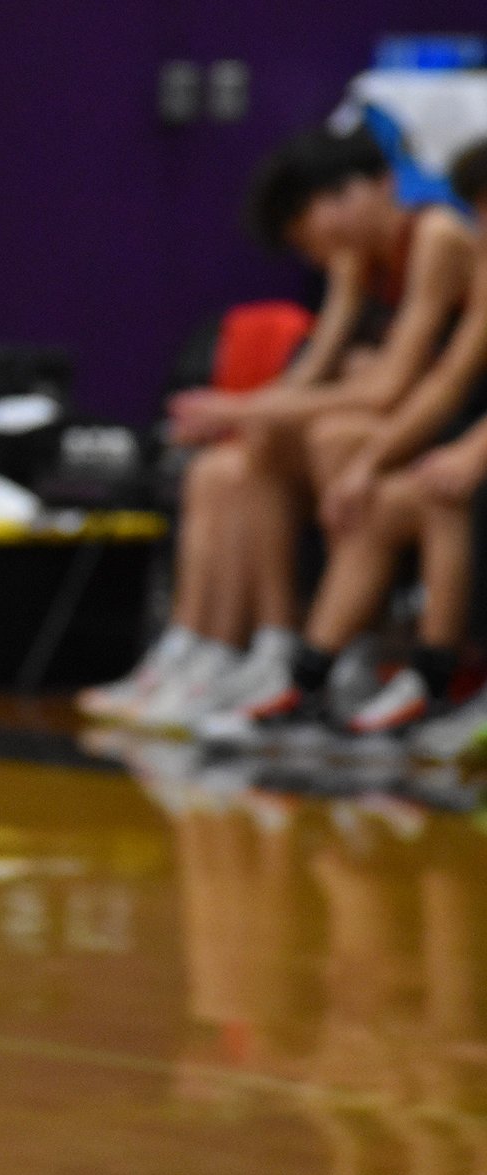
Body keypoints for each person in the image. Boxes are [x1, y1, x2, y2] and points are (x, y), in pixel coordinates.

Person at [80, 124, 476, 737]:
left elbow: (396, 386)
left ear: (364, 190)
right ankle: (220, 647)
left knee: (327, 437)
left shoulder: (437, 236)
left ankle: (343, 650)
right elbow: (313, 370)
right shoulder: (355, 259)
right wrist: (245, 413)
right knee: (223, 467)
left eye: (311, 220)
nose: (317, 241)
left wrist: (241, 410)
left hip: (440, 427)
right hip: (399, 420)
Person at [236, 136, 487, 743]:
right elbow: (446, 380)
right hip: (453, 429)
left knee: (421, 484)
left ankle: (431, 677)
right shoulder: (404, 259)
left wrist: (473, 451)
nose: (480, 231)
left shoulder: (436, 237)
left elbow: (399, 385)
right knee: (374, 497)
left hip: (466, 437)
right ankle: (309, 673)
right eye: (481, 212)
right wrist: (369, 465)